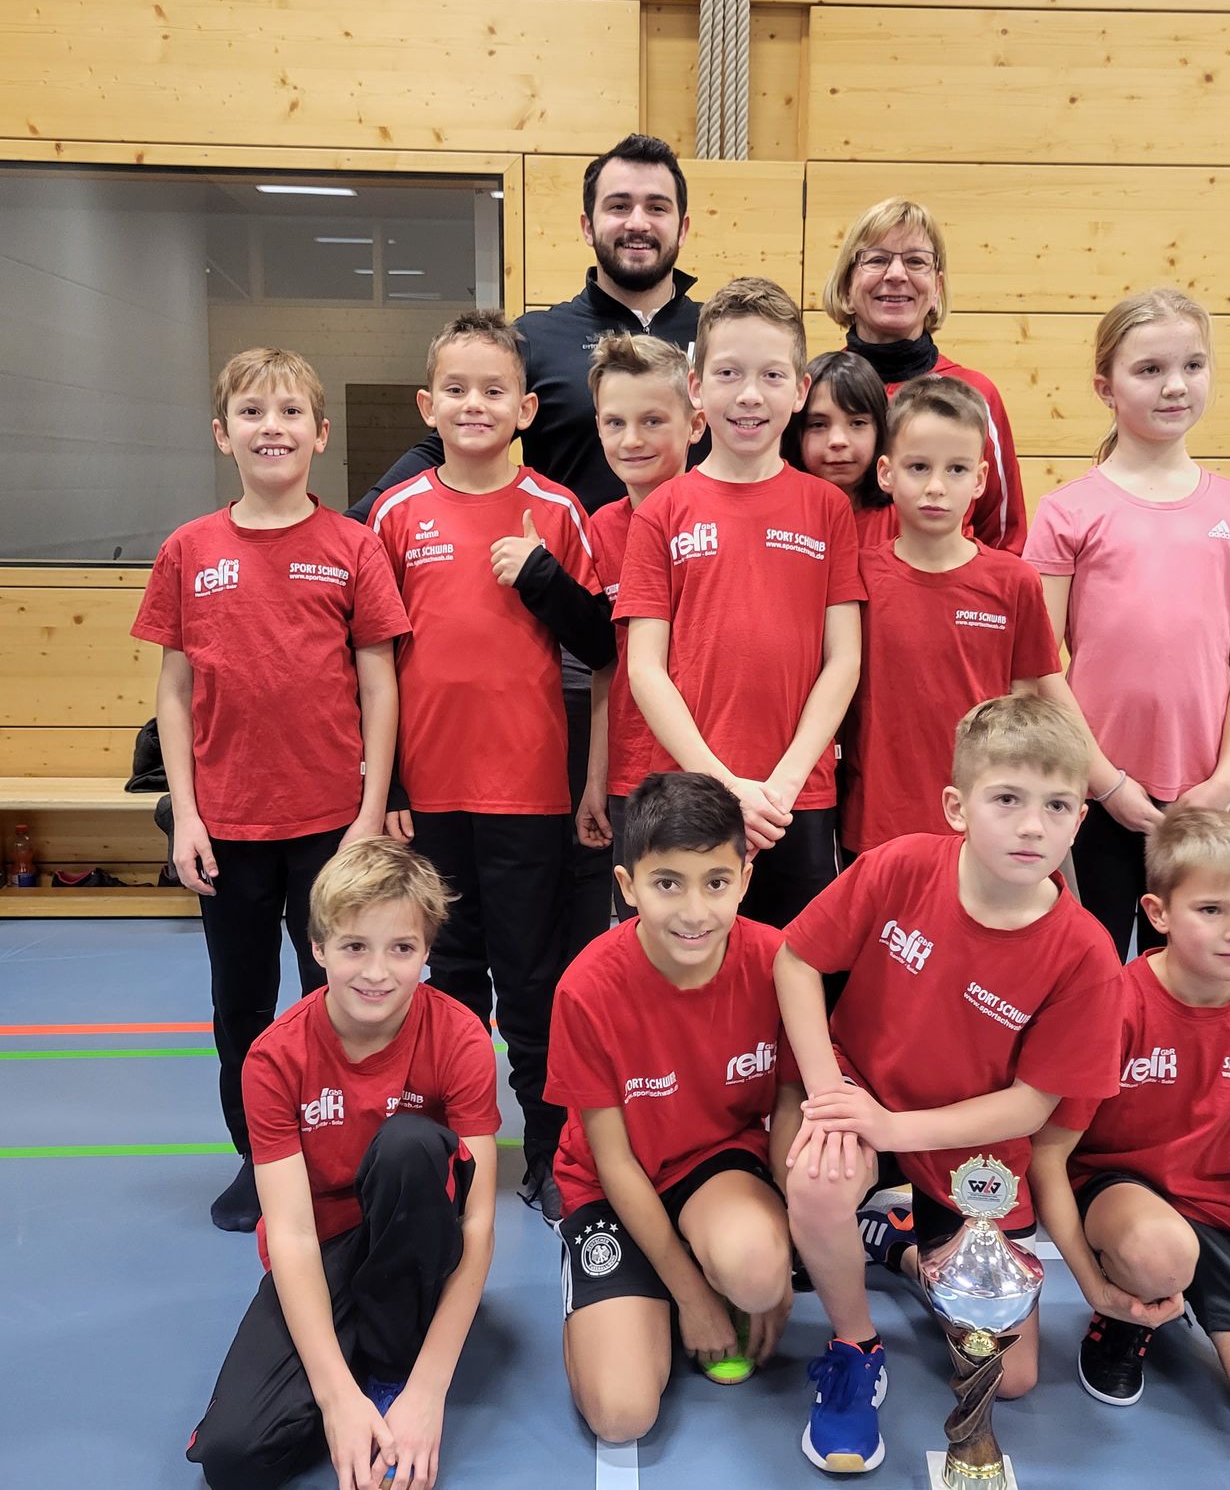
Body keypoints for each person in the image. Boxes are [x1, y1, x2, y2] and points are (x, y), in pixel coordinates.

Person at [355, 134, 706, 971]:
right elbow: (447, 447)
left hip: (679, 633)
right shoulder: (538, 340)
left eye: (655, 205)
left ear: (682, 225)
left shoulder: (712, 338)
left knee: (610, 915)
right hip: (569, 665)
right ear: (588, 223)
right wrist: (343, 529)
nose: (637, 220)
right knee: (563, 897)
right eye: (618, 205)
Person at [775, 693, 1123, 1473]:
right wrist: (830, 1097)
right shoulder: (901, 866)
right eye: (1008, 800)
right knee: (820, 1180)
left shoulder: (1085, 955)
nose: (1032, 826)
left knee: (1015, 1378)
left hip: (972, 1143)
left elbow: (1032, 1105)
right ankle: (855, 1348)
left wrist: (896, 1131)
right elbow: (796, 961)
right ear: (957, 808)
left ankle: (901, 1246)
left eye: (1056, 805)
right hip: (860, 1085)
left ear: (1079, 821)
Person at [133, 347, 407, 1231]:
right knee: (242, 1006)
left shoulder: (353, 548)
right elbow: (175, 695)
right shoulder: (189, 550)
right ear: (224, 435)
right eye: (252, 413)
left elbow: (380, 686)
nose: (271, 428)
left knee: (341, 996)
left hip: (331, 827)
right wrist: (186, 817)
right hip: (229, 827)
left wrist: (370, 814)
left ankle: (348, 1158)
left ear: (319, 435)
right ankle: (261, 1158)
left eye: (290, 413)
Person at [368, 310, 610, 1221]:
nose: (475, 405)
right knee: (451, 982)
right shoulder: (396, 513)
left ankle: (547, 1152)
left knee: (532, 984)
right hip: (429, 799)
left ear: (526, 409)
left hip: (528, 795)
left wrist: (543, 575)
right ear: (427, 406)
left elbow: (602, 642)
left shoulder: (557, 510)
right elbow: (372, 663)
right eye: (456, 390)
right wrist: (391, 785)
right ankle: (454, 1147)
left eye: (494, 390)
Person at [186, 839, 499, 1490]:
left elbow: (476, 1223)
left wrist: (427, 1391)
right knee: (234, 1457)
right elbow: (292, 1235)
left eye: (401, 948)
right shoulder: (274, 1059)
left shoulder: (460, 1036)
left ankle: (391, 1368)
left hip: (417, 1245)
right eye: (355, 946)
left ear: (427, 952)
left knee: (409, 1145)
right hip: (323, 1255)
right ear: (319, 947)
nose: (377, 972)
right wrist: (334, 1400)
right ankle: (356, 1366)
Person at [1030, 810, 1230, 1450]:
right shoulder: (1115, 1005)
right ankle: (1124, 1320)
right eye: (1211, 910)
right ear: (1159, 912)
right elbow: (1049, 1157)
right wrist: (1094, 1284)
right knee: (1159, 1254)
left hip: (1220, 1210)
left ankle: (1186, 1294)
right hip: (1119, 1196)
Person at [1024, 288, 1230, 958]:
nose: (1175, 386)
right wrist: (1105, 781)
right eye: (1149, 370)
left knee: (1187, 966)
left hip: (1201, 793)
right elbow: (1037, 665)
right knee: (1099, 962)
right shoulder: (1069, 512)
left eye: (1193, 365)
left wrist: (1226, 779)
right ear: (1105, 388)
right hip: (1096, 788)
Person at [548, 772, 794, 1441]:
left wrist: (781, 1261)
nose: (693, 911)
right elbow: (614, 1163)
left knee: (755, 1272)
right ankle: (636, 1285)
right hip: (613, 1186)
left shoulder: (777, 962)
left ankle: (720, 1262)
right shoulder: (587, 989)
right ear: (627, 886)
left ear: (744, 879)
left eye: (715, 882)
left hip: (714, 1167)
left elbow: (794, 1100)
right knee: (622, 1416)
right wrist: (691, 1296)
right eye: (667, 884)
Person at [617, 276, 866, 930]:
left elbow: (843, 660)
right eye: (729, 373)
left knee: (791, 964)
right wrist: (722, 782)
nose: (750, 394)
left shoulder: (827, 509)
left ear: (800, 390)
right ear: (696, 386)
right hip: (687, 789)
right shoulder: (662, 512)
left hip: (794, 799)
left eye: (771, 375)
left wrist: (783, 783)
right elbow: (644, 668)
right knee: (687, 956)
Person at [841, 376, 1064, 861]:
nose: (936, 487)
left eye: (957, 469)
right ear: (886, 473)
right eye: (918, 467)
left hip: (983, 827)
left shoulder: (1014, 582)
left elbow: (1024, 702)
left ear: (980, 479)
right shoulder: (856, 576)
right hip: (877, 824)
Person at [577, 333, 707, 904]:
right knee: (642, 929)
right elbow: (608, 665)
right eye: (615, 423)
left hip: (715, 769)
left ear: (695, 424)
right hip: (633, 775)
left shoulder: (718, 517)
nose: (631, 440)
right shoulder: (599, 530)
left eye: (652, 421)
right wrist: (597, 778)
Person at [819, 197, 1025, 553]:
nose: (896, 275)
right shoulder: (814, 393)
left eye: (916, 261)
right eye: (877, 260)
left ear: (936, 289)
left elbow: (1005, 541)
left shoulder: (975, 395)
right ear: (847, 286)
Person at [785, 351, 892, 547]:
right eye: (818, 425)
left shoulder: (904, 518)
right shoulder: (780, 516)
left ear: (880, 430)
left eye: (857, 423)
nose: (838, 441)